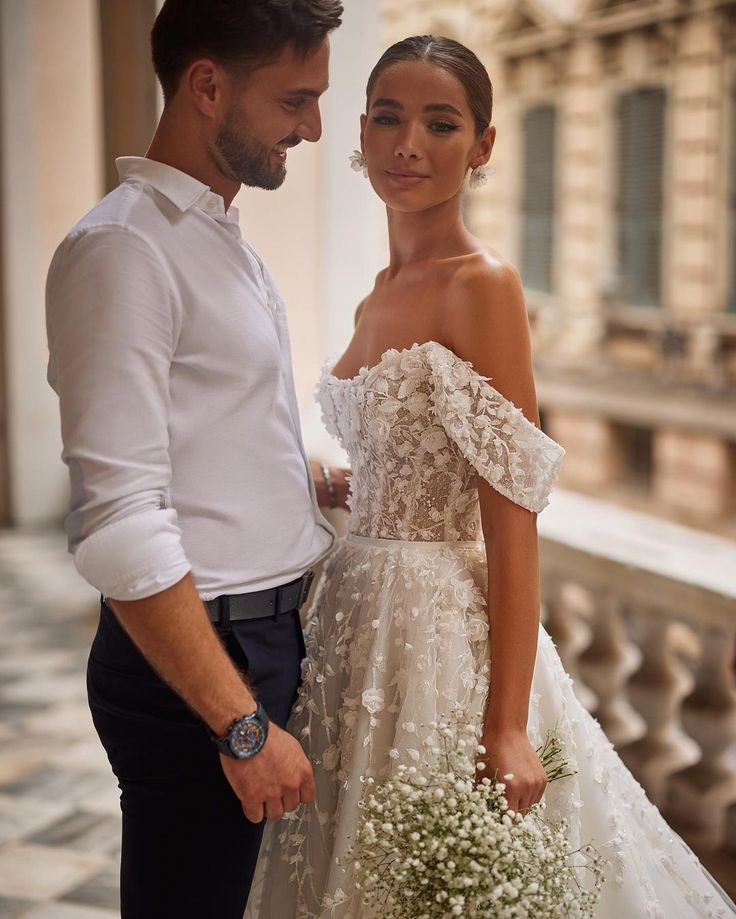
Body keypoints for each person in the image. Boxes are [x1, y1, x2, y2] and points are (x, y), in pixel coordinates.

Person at [247, 35, 736, 918]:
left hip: (436, 635)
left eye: (442, 123)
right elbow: (414, 458)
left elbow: (512, 520)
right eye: (389, 118)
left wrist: (507, 723)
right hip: (351, 616)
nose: (409, 145)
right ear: (359, 131)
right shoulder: (375, 290)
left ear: (483, 145)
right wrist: (344, 484)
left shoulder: (485, 285)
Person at [45, 2, 346, 916]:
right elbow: (120, 521)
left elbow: (202, 436)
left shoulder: (215, 234)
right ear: (207, 85)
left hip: (259, 636)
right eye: (295, 99)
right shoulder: (124, 249)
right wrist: (242, 723)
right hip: (206, 662)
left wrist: (300, 484)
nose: (315, 126)